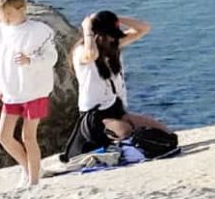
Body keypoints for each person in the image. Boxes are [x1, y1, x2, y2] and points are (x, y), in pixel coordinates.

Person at [68, 10, 176, 158]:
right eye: (110, 35)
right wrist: (88, 28)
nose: (113, 38)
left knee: (165, 134)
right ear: (98, 35)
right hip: (95, 117)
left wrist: (115, 19)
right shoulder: (81, 51)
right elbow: (92, 54)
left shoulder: (113, 46)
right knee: (127, 133)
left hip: (117, 110)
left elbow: (143, 28)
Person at [0, 0, 58, 188]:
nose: (5, 18)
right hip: (12, 92)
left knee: (28, 137)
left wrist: (30, 60)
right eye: (2, 13)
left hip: (34, 91)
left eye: (9, 13)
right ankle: (28, 168)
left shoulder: (38, 31)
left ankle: (34, 181)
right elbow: (5, 62)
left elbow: (51, 57)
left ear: (22, 9)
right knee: (4, 136)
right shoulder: (2, 31)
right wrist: (2, 87)